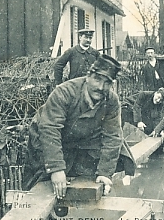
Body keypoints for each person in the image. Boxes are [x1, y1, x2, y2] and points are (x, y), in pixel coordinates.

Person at [26, 54, 136, 197]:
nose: (100, 87)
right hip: (45, 137)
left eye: (107, 82)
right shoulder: (64, 92)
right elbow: (50, 129)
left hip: (81, 138)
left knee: (112, 157)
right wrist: (56, 168)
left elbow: (113, 136)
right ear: (88, 76)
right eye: (97, 79)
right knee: (42, 180)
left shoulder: (111, 101)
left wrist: (104, 173)